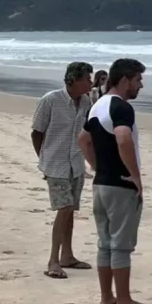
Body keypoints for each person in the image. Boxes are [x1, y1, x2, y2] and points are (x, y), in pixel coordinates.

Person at [78, 58, 152, 304]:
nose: (140, 85)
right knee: (121, 245)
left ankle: (106, 297)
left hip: (101, 184)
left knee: (105, 243)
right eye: (138, 80)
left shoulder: (97, 105)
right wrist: (135, 176)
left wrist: (97, 166)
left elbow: (83, 139)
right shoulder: (121, 107)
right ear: (124, 80)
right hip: (120, 185)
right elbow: (123, 138)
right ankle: (123, 301)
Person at [31, 61, 95, 280]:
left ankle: (67, 256)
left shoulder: (86, 101)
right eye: (87, 78)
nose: (91, 82)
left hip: (75, 163)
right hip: (55, 163)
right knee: (65, 207)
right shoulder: (50, 100)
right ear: (74, 80)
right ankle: (53, 260)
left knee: (70, 210)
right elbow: (36, 133)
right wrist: (44, 160)